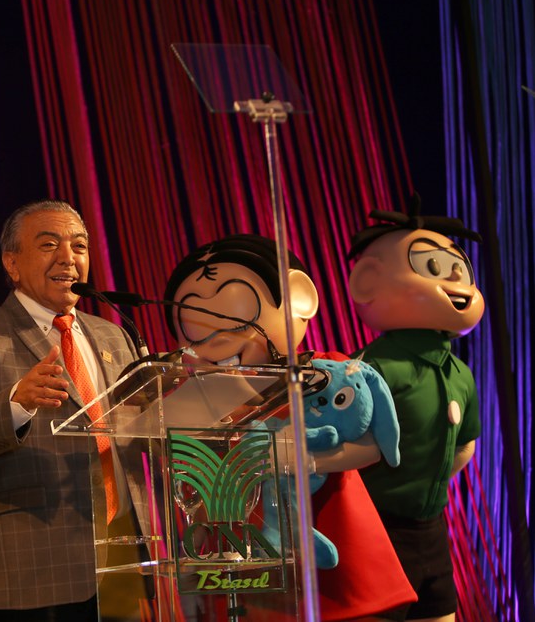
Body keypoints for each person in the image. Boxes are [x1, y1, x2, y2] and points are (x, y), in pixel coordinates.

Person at [163, 233, 416, 621]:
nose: (215, 336)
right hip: (243, 556)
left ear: (299, 299)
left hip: (331, 530)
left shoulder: (324, 371)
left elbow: (372, 445)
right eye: (195, 319)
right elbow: (192, 482)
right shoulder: (197, 395)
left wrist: (307, 460)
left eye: (232, 314)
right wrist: (192, 558)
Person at [0, 200, 140, 621]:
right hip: (37, 561)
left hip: (126, 553)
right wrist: (16, 402)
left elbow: (139, 426)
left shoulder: (113, 334)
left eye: (79, 246)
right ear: (12, 263)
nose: (68, 258)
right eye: (49, 244)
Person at [346, 196, 484, 622]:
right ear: (367, 281)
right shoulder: (370, 369)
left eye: (460, 269)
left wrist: (429, 479)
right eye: (434, 266)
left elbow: (464, 446)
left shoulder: (460, 372)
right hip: (378, 531)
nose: (456, 279)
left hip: (432, 530)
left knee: (439, 611)